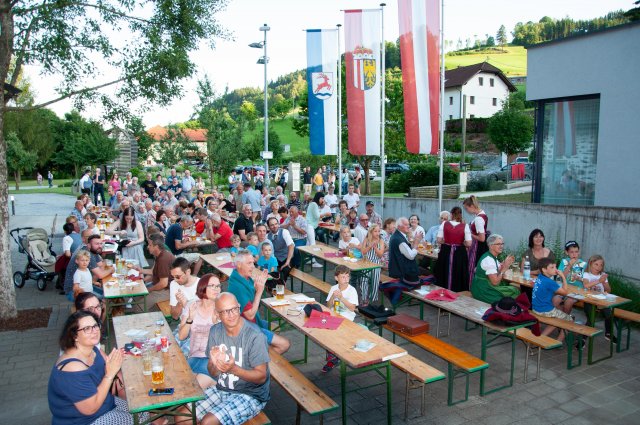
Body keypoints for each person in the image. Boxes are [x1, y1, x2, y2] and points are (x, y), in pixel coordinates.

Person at [48, 311, 155, 425]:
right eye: (87, 329)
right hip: (85, 420)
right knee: (141, 421)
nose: (94, 331)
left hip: (105, 403)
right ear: (74, 336)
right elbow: (90, 409)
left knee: (143, 411)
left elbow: (108, 367)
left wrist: (117, 360)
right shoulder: (72, 368)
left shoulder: (92, 349)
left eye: (95, 326)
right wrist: (109, 374)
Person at [193, 292, 270, 425]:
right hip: (222, 388)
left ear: (239, 307)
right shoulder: (215, 331)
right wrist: (214, 362)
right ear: (217, 314)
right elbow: (213, 373)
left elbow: (261, 377)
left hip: (251, 394)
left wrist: (233, 369)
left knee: (208, 422)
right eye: (225, 311)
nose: (232, 314)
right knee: (185, 416)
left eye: (234, 309)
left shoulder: (255, 336)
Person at [228, 251, 290, 354]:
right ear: (239, 265)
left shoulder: (243, 278)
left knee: (274, 326)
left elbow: (251, 300)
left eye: (253, 263)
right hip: (245, 328)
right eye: (249, 263)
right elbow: (250, 315)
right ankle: (259, 360)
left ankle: (259, 353)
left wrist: (258, 287)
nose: (253, 266)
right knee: (285, 344)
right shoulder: (237, 286)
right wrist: (259, 292)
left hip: (248, 323)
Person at [177, 274, 221, 383]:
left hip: (212, 360)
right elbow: (181, 337)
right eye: (212, 286)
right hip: (194, 356)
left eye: (218, 286)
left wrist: (216, 324)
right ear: (203, 287)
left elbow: (227, 341)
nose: (217, 289)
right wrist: (190, 319)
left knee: (195, 387)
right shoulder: (192, 305)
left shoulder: (221, 308)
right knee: (182, 384)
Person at [323, 265, 359, 372]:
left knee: (333, 331)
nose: (346, 279)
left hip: (347, 317)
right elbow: (328, 306)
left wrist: (341, 298)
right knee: (322, 329)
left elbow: (352, 308)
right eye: (343, 277)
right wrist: (333, 297)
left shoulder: (352, 290)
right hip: (334, 316)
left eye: (347, 277)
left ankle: (333, 357)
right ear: (336, 278)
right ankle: (333, 355)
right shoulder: (333, 288)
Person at [531, 257, 573, 342]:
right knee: (570, 320)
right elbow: (565, 292)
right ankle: (558, 342)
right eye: (552, 267)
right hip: (544, 310)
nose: (556, 269)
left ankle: (541, 337)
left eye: (555, 267)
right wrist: (563, 277)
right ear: (544, 269)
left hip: (535, 308)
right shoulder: (549, 282)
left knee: (557, 317)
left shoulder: (540, 277)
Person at [470, 234, 521, 304]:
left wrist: (505, 264)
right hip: (483, 290)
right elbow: (495, 282)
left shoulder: (492, 257)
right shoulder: (489, 260)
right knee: (514, 292)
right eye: (498, 244)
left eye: (502, 244)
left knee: (514, 290)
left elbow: (496, 272)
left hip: (482, 287)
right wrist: (504, 268)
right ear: (490, 246)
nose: (501, 246)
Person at [64, 235, 114, 302]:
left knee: (106, 293)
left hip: (85, 285)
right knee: (105, 298)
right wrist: (111, 269)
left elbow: (101, 265)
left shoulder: (94, 251)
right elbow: (100, 275)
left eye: (100, 243)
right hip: (75, 291)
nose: (99, 246)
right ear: (89, 245)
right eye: (96, 244)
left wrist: (93, 281)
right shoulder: (87, 256)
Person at [387, 217, 423, 304]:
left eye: (408, 224)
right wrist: (417, 242)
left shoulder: (397, 235)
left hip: (396, 268)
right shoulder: (399, 239)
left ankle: (413, 295)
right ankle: (415, 295)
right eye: (406, 225)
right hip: (401, 272)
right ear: (399, 226)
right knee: (426, 273)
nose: (408, 226)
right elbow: (411, 256)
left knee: (422, 269)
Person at [435, 207, 471, 292]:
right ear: (460, 215)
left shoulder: (444, 224)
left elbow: (439, 240)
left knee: (444, 270)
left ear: (451, 214)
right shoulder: (465, 226)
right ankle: (457, 292)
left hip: (446, 251)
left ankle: (442, 291)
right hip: (459, 252)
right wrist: (462, 243)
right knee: (458, 272)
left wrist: (446, 241)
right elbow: (469, 243)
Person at [582, 255, 616, 342]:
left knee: (609, 314)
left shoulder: (603, 275)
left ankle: (608, 334)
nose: (599, 267)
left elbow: (609, 290)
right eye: (596, 264)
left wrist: (604, 283)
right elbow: (586, 286)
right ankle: (583, 339)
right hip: (589, 300)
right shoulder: (587, 274)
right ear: (590, 264)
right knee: (591, 319)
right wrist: (598, 281)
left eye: (601, 265)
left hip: (601, 301)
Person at [137, 233, 175, 305]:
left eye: (150, 245)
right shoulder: (160, 254)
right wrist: (140, 270)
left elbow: (163, 284)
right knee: (139, 295)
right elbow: (153, 271)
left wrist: (149, 290)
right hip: (163, 286)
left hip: (168, 290)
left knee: (139, 306)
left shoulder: (163, 259)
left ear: (156, 247)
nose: (148, 247)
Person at [463, 196, 490, 280]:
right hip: (478, 246)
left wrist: (470, 233)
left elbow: (482, 238)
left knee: (472, 268)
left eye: (466, 208)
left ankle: (471, 286)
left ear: (471, 206)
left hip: (477, 247)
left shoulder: (478, 218)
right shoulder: (481, 214)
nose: (466, 211)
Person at [557, 241, 586, 314]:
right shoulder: (564, 262)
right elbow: (561, 277)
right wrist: (569, 265)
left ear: (579, 252)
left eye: (576, 252)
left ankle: (566, 320)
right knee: (555, 300)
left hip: (577, 290)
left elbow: (586, 280)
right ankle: (561, 319)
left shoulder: (583, 264)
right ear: (567, 252)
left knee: (568, 302)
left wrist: (580, 278)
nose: (574, 254)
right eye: (571, 252)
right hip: (564, 288)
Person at [360, 224, 385, 306]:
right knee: (364, 280)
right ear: (371, 232)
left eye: (378, 231)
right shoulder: (367, 239)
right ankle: (364, 298)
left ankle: (373, 299)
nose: (377, 233)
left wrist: (375, 248)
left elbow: (380, 255)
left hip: (376, 262)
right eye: (375, 231)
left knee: (375, 281)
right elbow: (363, 252)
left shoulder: (381, 240)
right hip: (367, 261)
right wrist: (369, 246)